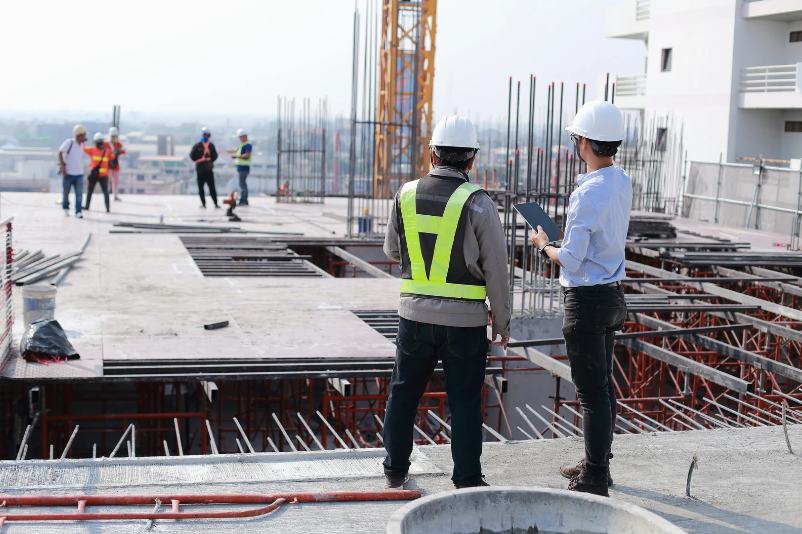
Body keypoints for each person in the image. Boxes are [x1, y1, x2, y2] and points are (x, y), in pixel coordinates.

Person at [382, 116, 511, 490]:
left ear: (433, 153)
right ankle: (468, 479)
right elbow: (497, 273)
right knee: (466, 402)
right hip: (466, 325)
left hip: (414, 318)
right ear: (471, 160)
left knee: (403, 393)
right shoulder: (479, 204)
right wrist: (502, 324)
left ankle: (394, 470)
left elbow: (393, 249)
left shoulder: (405, 194)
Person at [530, 100, 631, 498]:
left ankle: (594, 478)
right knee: (603, 388)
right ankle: (596, 464)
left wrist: (544, 245)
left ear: (584, 141)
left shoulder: (586, 193)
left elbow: (570, 258)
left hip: (586, 300)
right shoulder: (621, 180)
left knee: (592, 394)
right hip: (612, 296)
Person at [59, 125, 87, 218]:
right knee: (66, 193)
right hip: (68, 173)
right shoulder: (69, 143)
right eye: (84, 135)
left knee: (79, 194)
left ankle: (78, 211)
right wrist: (63, 167)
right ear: (79, 135)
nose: (85, 137)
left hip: (79, 174)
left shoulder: (82, 145)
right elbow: (60, 152)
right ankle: (66, 208)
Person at [189, 127, 219, 208]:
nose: (206, 137)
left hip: (208, 170)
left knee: (212, 188)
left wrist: (208, 160)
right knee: (201, 188)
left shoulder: (211, 146)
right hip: (200, 170)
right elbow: (192, 156)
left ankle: (215, 203)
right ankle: (203, 203)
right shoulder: (197, 145)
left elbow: (215, 156)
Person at [83, 132, 112, 213]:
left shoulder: (92, 149)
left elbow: (83, 148)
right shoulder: (107, 151)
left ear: (95, 142)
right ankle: (107, 208)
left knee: (90, 191)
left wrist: (83, 141)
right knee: (105, 192)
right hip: (104, 175)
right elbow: (112, 156)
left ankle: (87, 206)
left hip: (94, 174)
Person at [227, 128, 252, 206]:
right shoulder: (242, 145)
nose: (240, 139)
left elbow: (247, 155)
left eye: (240, 137)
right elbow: (234, 150)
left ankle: (244, 200)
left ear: (244, 136)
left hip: (244, 168)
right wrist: (224, 151)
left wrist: (237, 157)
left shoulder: (247, 145)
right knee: (242, 184)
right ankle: (243, 200)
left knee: (242, 184)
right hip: (241, 168)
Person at [106, 127, 126, 201]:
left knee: (116, 181)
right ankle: (107, 195)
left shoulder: (118, 144)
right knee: (108, 181)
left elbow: (124, 151)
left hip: (116, 165)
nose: (114, 138)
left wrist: (119, 151)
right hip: (109, 165)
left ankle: (115, 195)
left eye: (115, 136)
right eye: (112, 136)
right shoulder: (107, 143)